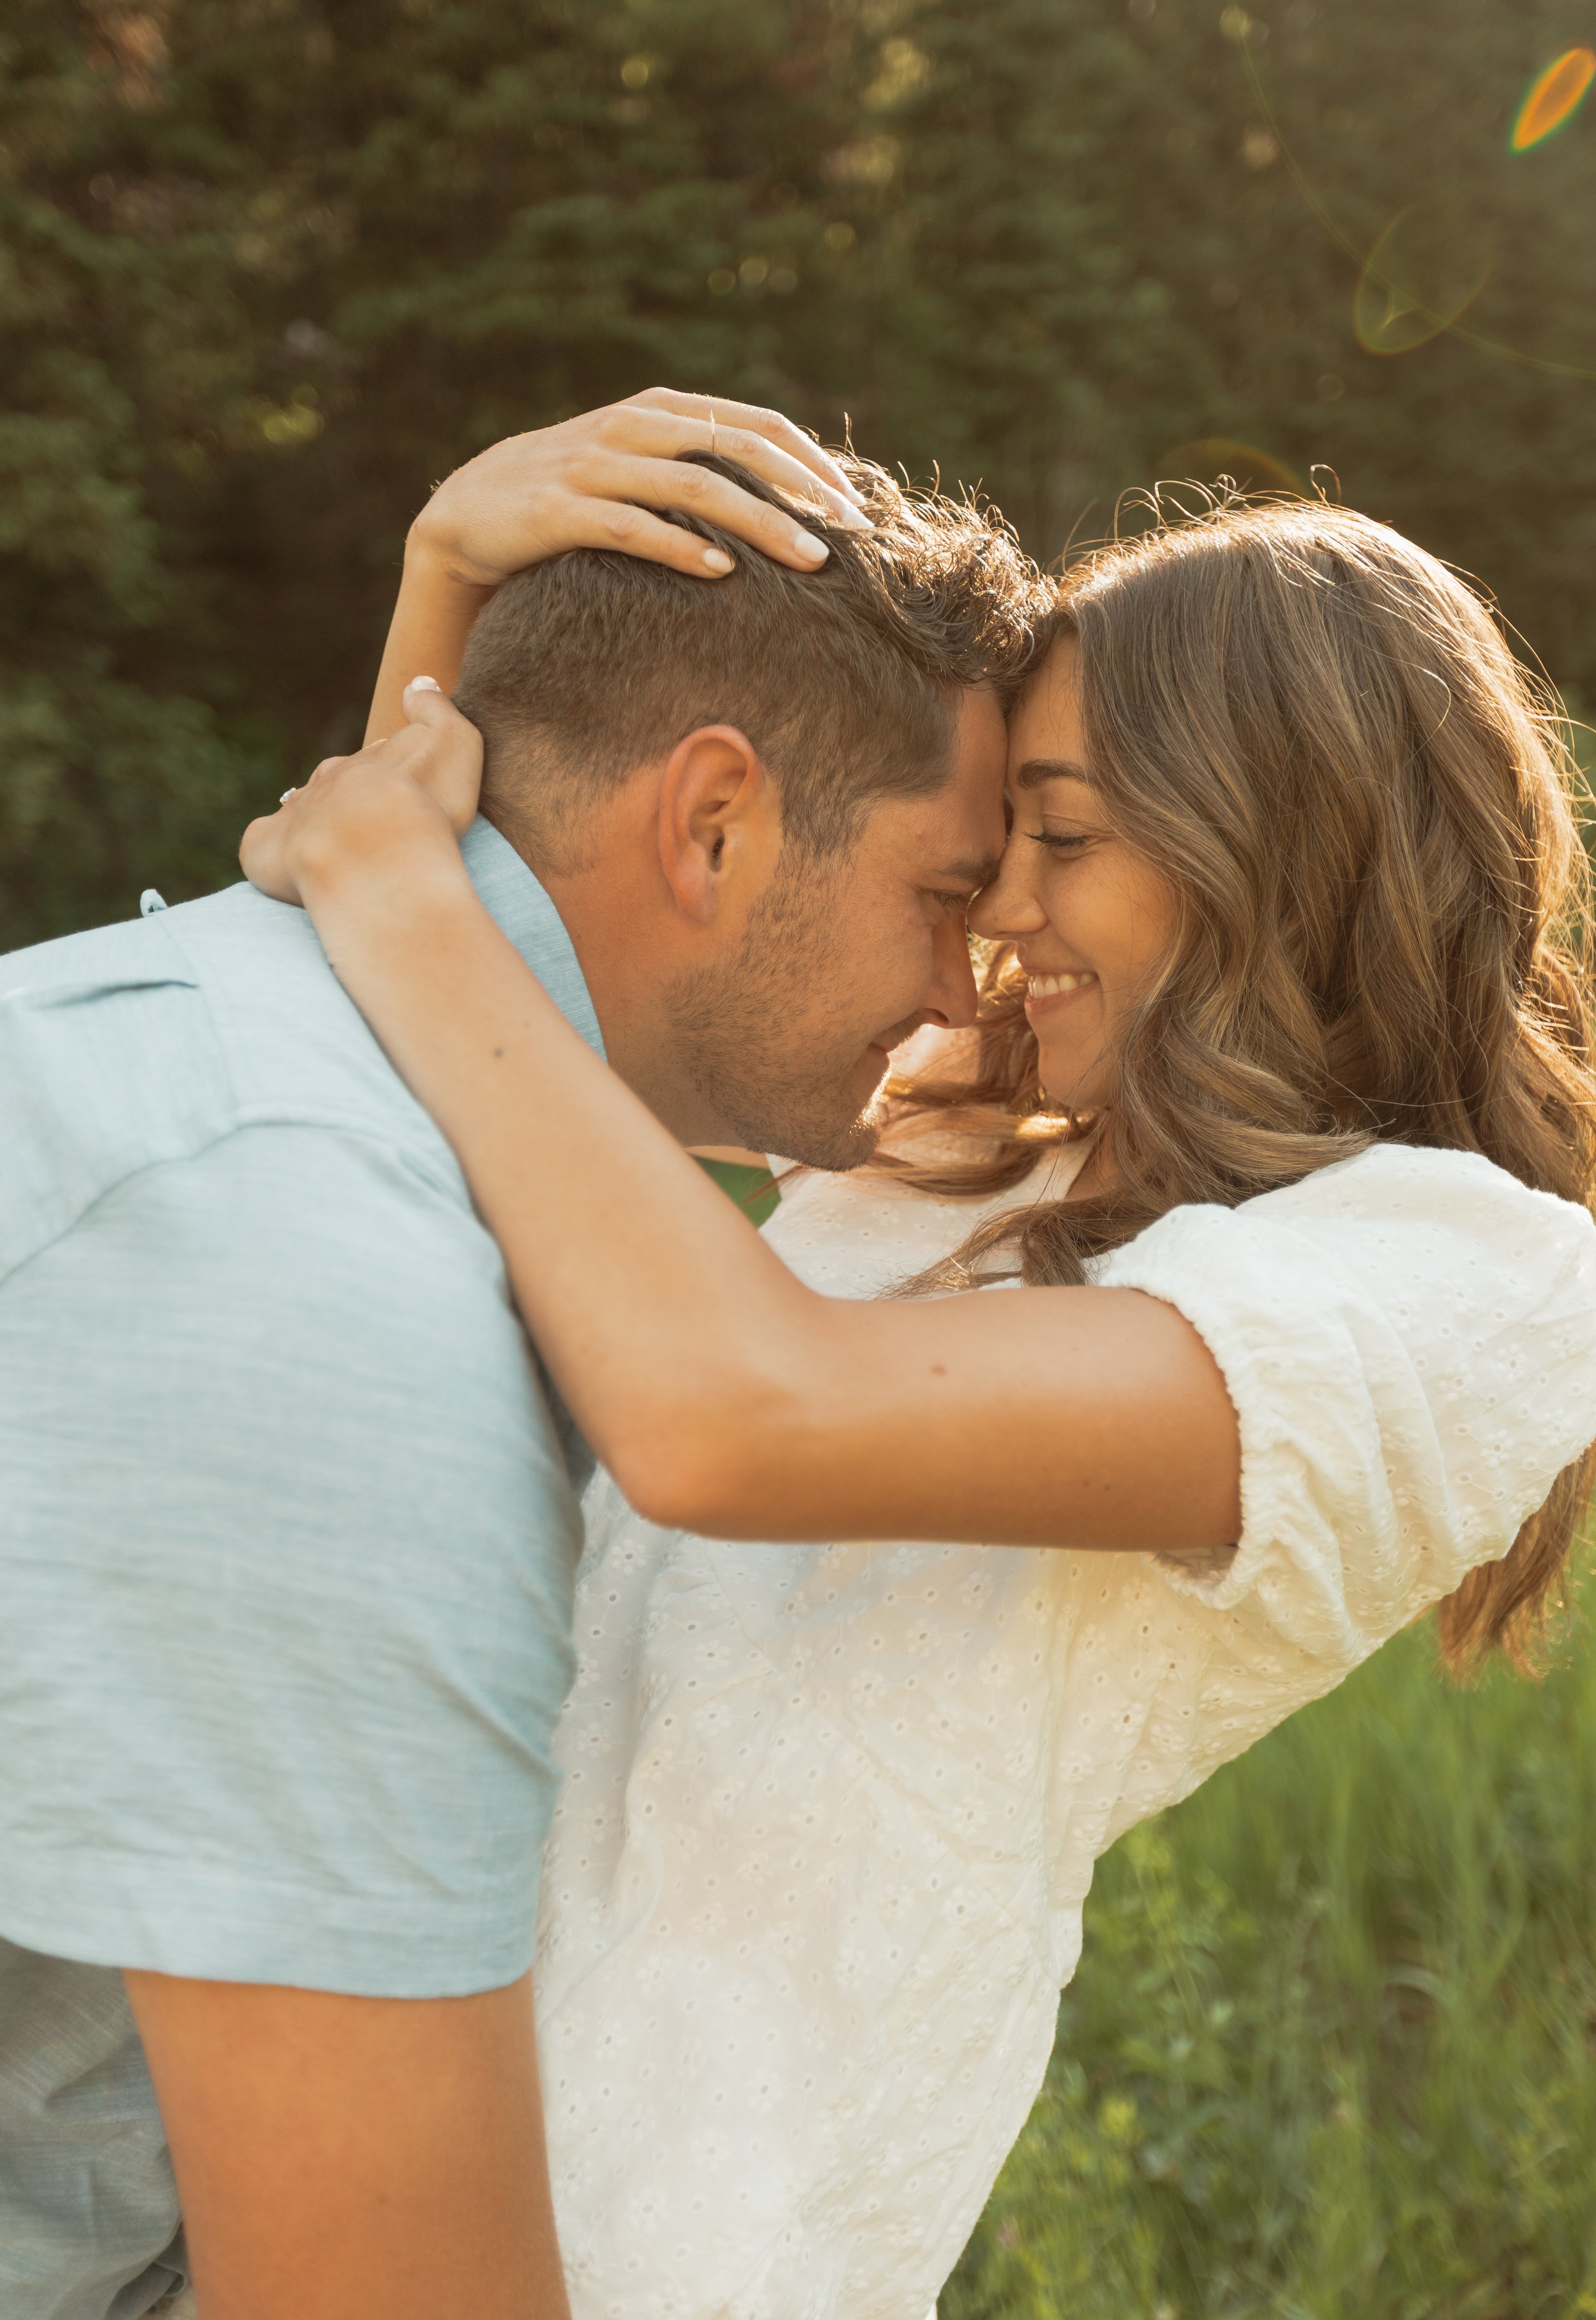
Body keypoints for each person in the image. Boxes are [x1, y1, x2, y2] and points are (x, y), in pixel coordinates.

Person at [245, 490, 1596, 2319]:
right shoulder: (986, 1149)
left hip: (675, 2235)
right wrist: (448, 594)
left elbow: (735, 1423)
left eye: (1058, 839)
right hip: (331, 2167)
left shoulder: (1471, 1283)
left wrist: (398, 892)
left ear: (1268, 844)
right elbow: (474, 1069)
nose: (997, 916)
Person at [0, 389, 1054, 2320]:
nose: (947, 996)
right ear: (714, 820)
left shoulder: (237, 1047)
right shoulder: (317, 1299)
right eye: (943, 896)